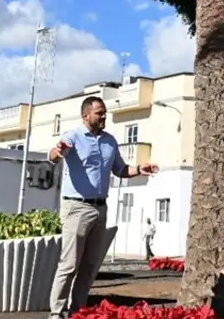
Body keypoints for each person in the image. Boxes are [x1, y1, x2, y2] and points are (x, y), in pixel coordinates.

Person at [47, 96, 159, 319]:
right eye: (99, 113)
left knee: (90, 266)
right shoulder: (73, 136)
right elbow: (54, 156)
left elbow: (121, 169)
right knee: (69, 265)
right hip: (76, 207)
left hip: (101, 208)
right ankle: (56, 313)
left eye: (105, 112)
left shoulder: (110, 141)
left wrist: (140, 168)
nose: (104, 116)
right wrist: (57, 151)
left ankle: (77, 312)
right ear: (85, 115)